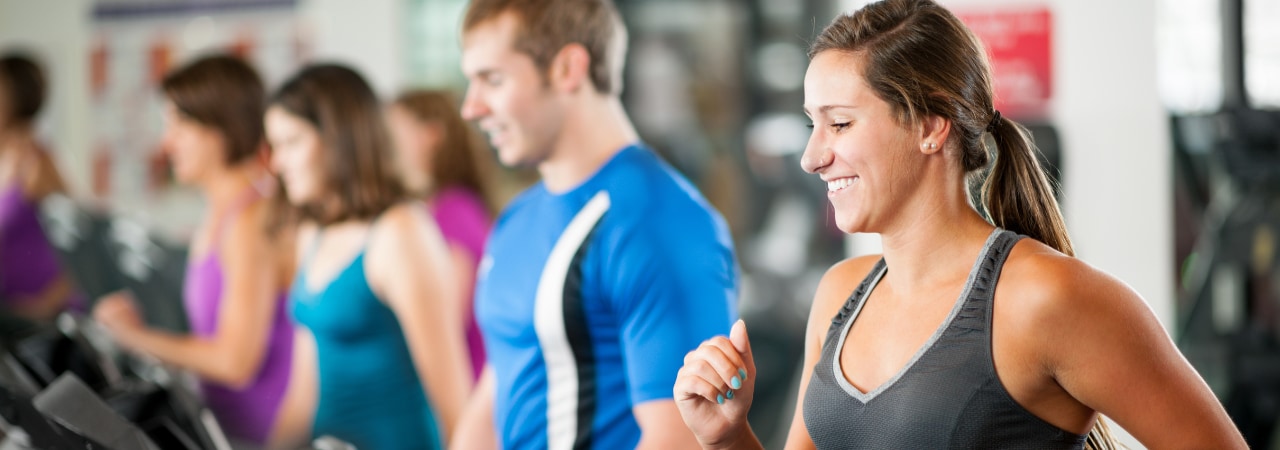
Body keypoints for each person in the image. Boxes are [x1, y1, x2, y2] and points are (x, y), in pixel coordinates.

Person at [673, 1, 1247, 449]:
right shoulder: (838, 296)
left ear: (930, 127)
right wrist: (725, 437)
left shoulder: (1047, 299)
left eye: (840, 124)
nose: (812, 156)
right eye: (812, 125)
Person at [451, 0, 740, 448]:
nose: (471, 108)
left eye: (493, 79)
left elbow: (682, 438)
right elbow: (497, 390)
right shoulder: (516, 218)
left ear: (568, 68)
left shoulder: (660, 223)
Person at [264, 64, 471, 450]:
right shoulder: (312, 231)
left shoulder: (401, 232)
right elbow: (302, 394)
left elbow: (454, 402)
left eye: (291, 143)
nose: (277, 164)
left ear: (338, 140)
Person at [92, 55, 295, 446]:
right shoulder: (221, 211)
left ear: (221, 129)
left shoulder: (250, 219)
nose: (167, 142)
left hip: (261, 436)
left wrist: (133, 336)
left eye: (180, 126)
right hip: (220, 424)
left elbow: (234, 361)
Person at [387, 90, 496, 380]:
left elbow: (447, 319)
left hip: (465, 385)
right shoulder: (424, 210)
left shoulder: (454, 212)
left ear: (431, 134)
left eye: (393, 130)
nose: (384, 143)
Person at [0, 52, 77, 322]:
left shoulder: (37, 163)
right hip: (11, 315)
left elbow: (82, 247)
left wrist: (45, 305)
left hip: (48, 322)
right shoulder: (5, 159)